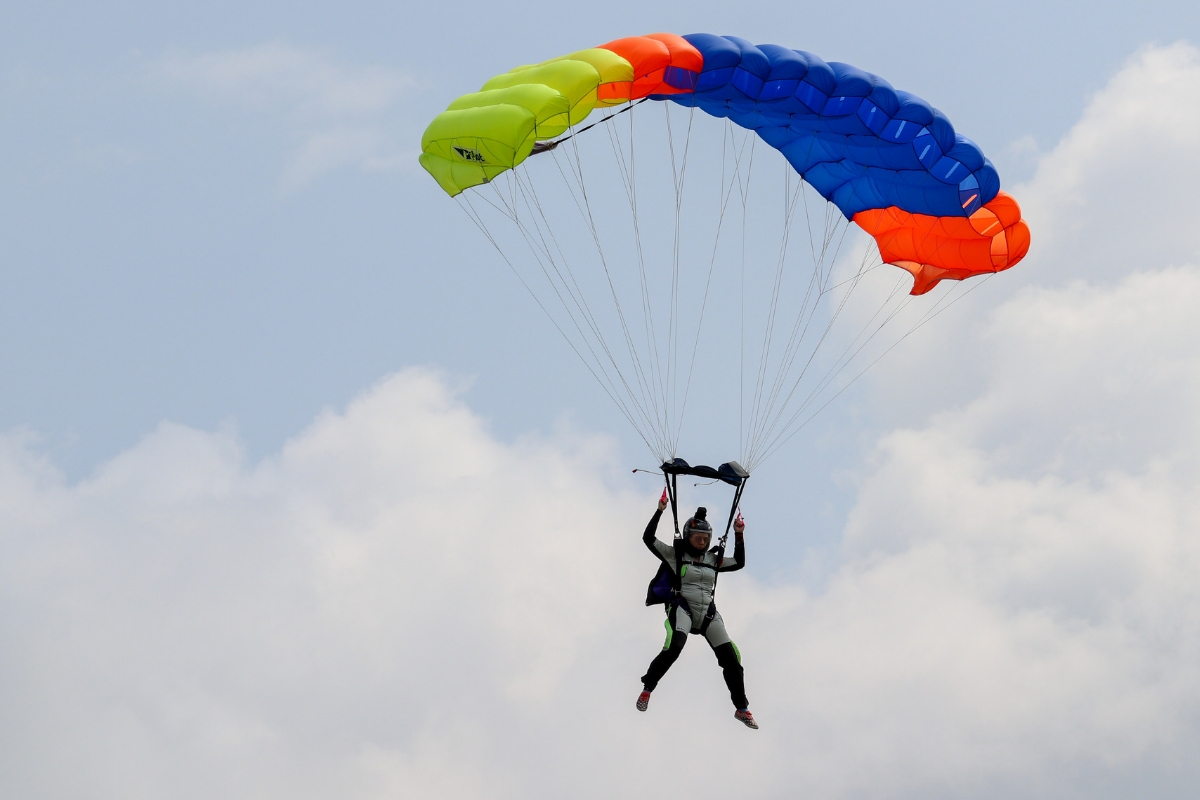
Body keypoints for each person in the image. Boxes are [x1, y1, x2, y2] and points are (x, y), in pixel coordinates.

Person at [637, 492, 758, 729]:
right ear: (688, 536)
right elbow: (648, 538)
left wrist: (739, 533)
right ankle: (647, 689)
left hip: (708, 614)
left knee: (732, 661)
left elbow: (740, 562)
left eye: (705, 539)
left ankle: (742, 709)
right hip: (682, 608)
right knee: (674, 648)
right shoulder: (675, 555)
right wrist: (660, 510)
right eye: (697, 538)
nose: (701, 543)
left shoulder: (714, 559)